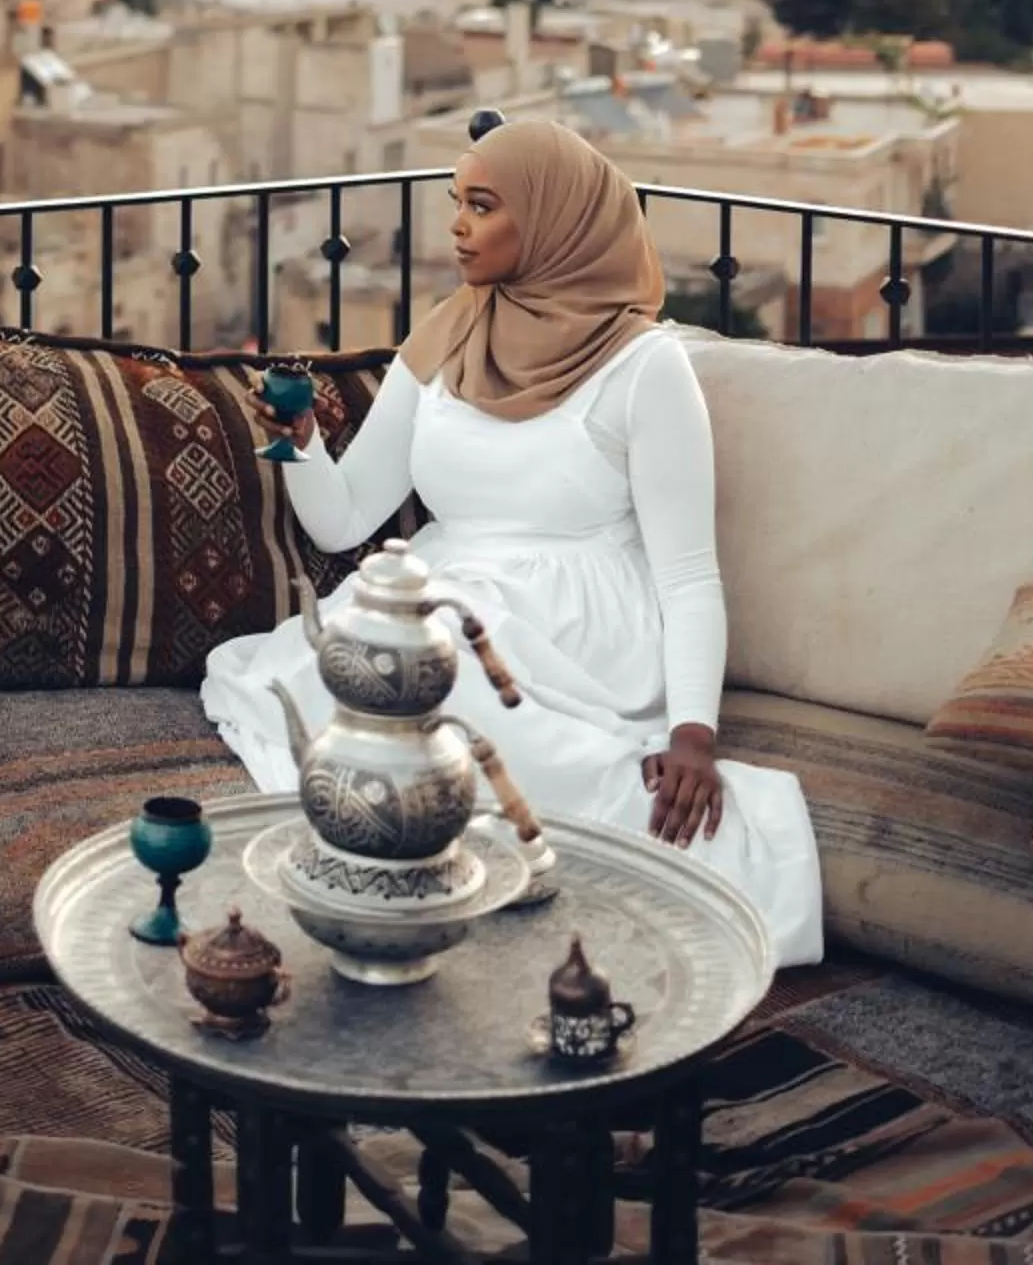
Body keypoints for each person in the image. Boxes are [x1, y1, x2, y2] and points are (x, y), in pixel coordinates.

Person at [200, 118, 823, 966]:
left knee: (426, 687)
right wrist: (302, 443)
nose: (457, 225)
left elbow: (687, 577)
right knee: (364, 669)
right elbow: (342, 522)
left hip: (578, 632)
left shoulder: (645, 368)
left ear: (555, 220)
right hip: (446, 594)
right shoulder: (446, 332)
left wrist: (692, 736)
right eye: (457, 202)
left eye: (483, 206)